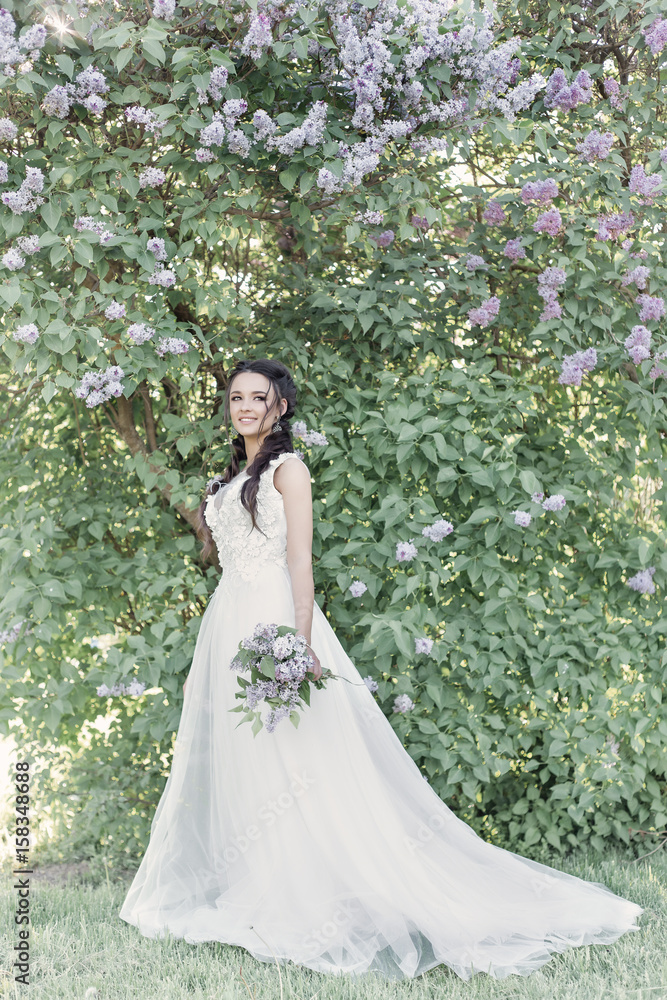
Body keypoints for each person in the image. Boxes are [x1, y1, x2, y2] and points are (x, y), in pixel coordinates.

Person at [119, 357, 642, 981]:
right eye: (237, 398)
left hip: (274, 620)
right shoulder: (233, 475)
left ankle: (314, 894)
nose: (247, 407)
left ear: (280, 407)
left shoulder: (290, 470)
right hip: (229, 620)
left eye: (259, 397)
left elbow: (301, 564)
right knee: (253, 756)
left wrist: (299, 644)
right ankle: (268, 885)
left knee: (296, 758)